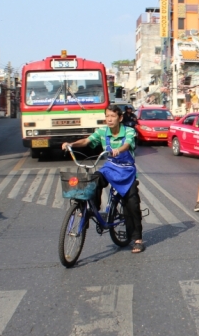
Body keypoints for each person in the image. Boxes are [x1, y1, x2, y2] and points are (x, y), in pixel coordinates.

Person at [62, 104, 145, 253]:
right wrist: (71, 144)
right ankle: (92, 210)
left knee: (132, 204)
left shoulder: (129, 131)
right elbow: (87, 141)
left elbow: (127, 145)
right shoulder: (102, 132)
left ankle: (137, 238)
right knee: (94, 179)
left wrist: (117, 150)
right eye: (107, 116)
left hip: (127, 171)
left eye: (113, 116)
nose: (109, 119)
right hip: (110, 167)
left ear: (120, 118)